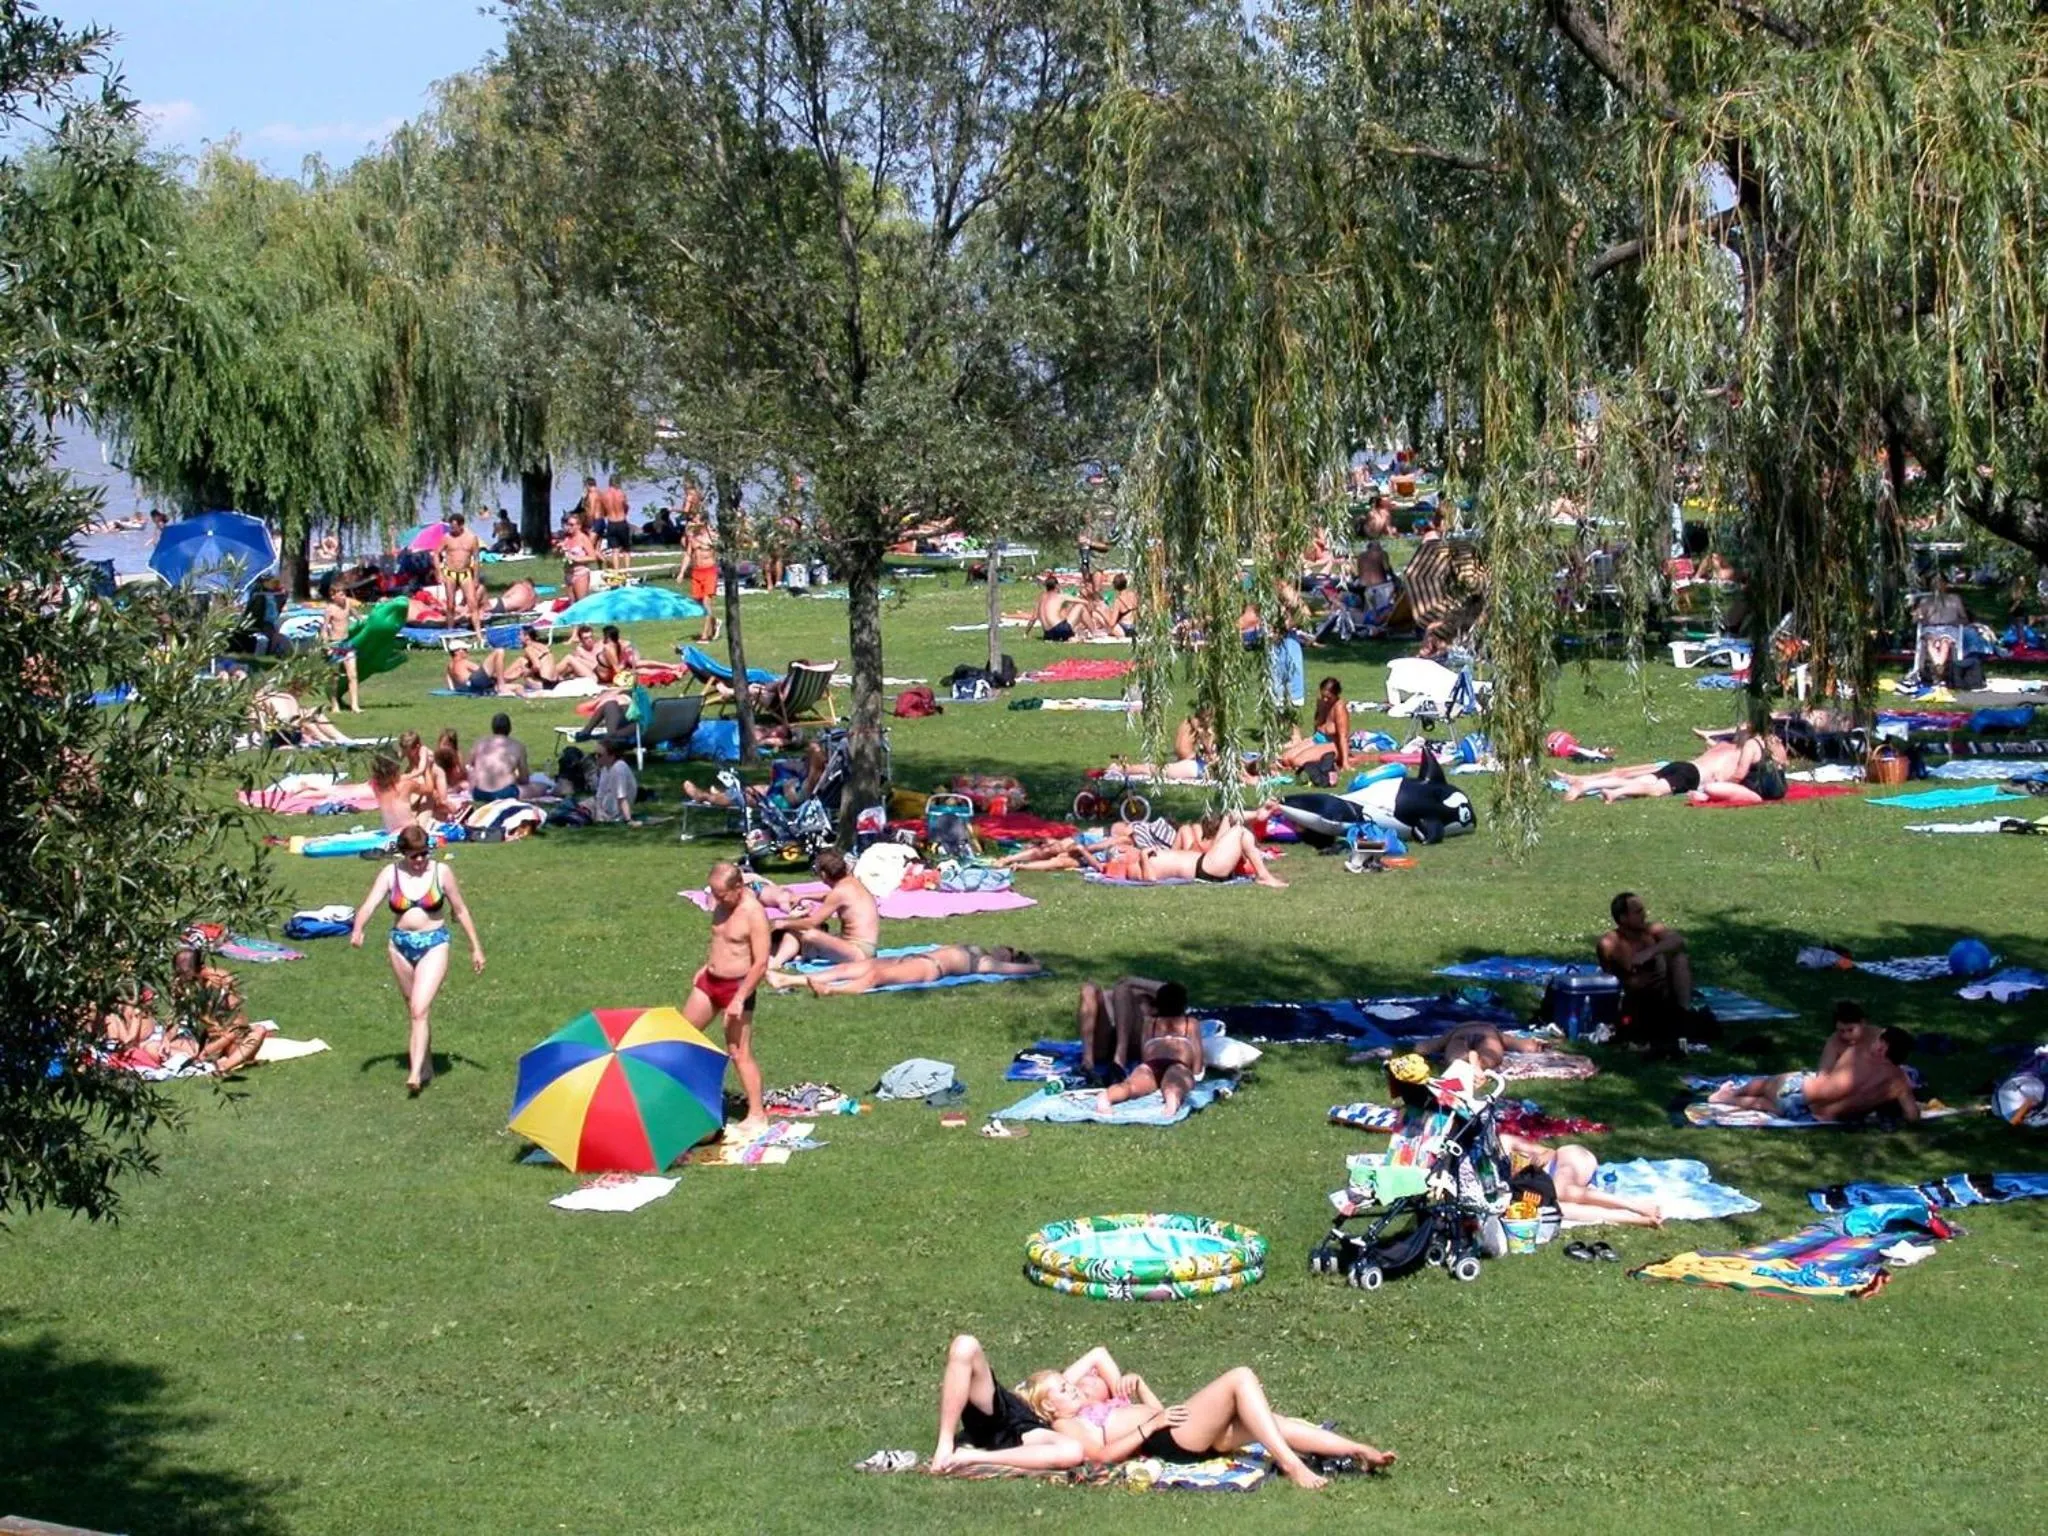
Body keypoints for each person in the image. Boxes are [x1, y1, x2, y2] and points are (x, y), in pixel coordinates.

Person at [1024, 1364, 1392, 1487]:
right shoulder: (1067, 1427)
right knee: (1240, 1377)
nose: (1072, 1387)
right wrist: (1149, 1428)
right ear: (1048, 1408)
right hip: (1168, 1440)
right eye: (1062, 1389)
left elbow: (1158, 1411)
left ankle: (1357, 1450)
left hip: (1172, 1429)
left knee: (1271, 1423)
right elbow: (1101, 1457)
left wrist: (1142, 1389)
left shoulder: (1088, 1406)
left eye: (1068, 1382)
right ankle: (1292, 1464)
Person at [348, 825, 485, 1095]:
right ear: (403, 854)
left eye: (424, 854)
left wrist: (475, 948)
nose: (420, 861)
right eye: (414, 856)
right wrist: (358, 929)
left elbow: (460, 909)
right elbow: (370, 903)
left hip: (434, 944)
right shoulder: (390, 874)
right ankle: (426, 1064)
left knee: (419, 1009)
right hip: (399, 945)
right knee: (414, 1009)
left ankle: (414, 1073)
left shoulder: (441, 872)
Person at [1709, 1002, 1922, 1123]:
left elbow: (1825, 1078)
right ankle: (1728, 1099)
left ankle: (1729, 1095)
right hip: (1812, 1115)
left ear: (1883, 1047)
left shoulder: (1857, 1053)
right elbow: (1913, 1116)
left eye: (1880, 1042)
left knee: (1768, 1084)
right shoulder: (1899, 1082)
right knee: (1766, 1105)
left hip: (1800, 1093)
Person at [929, 1338, 1102, 1474]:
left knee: (1073, 1451)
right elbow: (1097, 1354)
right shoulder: (1039, 1396)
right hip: (1004, 1414)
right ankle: (945, 1443)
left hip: (1025, 1435)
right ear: (1048, 1404)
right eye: (1065, 1388)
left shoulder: (1059, 1423)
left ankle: (975, 1457)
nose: (1074, 1390)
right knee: (965, 1345)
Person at [685, 863, 772, 1130]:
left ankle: (757, 1114)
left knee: (738, 1051)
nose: (717, 898)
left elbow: (760, 963)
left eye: (722, 894)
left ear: (739, 887)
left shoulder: (753, 914)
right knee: (681, 1035)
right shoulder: (723, 902)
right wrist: (707, 966)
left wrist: (739, 998)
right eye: (714, 892)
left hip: (737, 987)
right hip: (710, 981)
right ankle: (686, 1096)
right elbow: (721, 940)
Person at [1596, 892, 1712, 1050]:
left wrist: (1650, 952)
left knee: (1679, 958)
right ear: (1623, 918)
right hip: (1636, 1001)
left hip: (1665, 993)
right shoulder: (1610, 944)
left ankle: (1683, 1016)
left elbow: (1677, 940)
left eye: (1643, 910)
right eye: (1637, 912)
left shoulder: (1651, 930)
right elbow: (1608, 980)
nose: (1644, 915)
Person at [1499, 1132, 1664, 1227]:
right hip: (1546, 1189)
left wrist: (1540, 1159)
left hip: (1567, 1159)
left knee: (1560, 1191)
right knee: (1556, 1208)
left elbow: (1549, 1152)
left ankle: (1638, 1207)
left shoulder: (1504, 1141)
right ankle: (1637, 1219)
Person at [1559, 728, 1769, 801]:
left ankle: (1585, 785)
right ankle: (1613, 793)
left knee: (1645, 779)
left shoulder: (1721, 745)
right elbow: (1730, 777)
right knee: (1655, 790)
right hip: (1692, 776)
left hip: (1680, 765)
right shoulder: (1740, 754)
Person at [1092, 981, 1204, 1114]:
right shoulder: (1190, 1024)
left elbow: (1145, 1050)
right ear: (1183, 1005)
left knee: (1131, 1086)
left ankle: (1107, 1097)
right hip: (1178, 1065)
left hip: (1150, 1065)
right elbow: (1197, 1051)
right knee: (1174, 1085)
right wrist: (1196, 1073)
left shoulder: (1150, 1023)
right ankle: (1172, 1101)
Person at [765, 943, 1041, 996]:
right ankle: (788, 980)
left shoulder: (985, 964)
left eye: (1012, 952)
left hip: (928, 967)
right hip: (914, 956)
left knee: (876, 977)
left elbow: (1016, 971)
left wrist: (1033, 965)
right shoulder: (979, 950)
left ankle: (834, 993)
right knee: (851, 966)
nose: (1006, 948)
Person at [1080, 818, 1287, 888]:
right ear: (1121, 859)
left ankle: (1261, 814)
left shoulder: (1141, 857)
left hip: (1207, 860)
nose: (1126, 849)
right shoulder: (1134, 868)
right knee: (1240, 832)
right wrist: (1143, 857)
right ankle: (1264, 876)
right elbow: (1149, 881)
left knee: (1232, 819)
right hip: (1206, 868)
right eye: (1121, 851)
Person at [767, 848, 879, 967]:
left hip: (859, 953)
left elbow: (813, 922)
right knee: (806, 933)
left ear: (824, 874)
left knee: (810, 935)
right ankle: (787, 956)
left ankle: (778, 961)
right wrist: (802, 896)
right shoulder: (852, 883)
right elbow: (828, 896)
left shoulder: (839, 892)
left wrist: (783, 923)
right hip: (865, 948)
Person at [168, 946, 265, 1076]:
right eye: (178, 972)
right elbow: (177, 1017)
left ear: (200, 968)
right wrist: (165, 1040)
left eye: (185, 973)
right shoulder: (181, 985)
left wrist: (209, 1049)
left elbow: (238, 1025)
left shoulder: (222, 982)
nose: (181, 977)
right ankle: (221, 1062)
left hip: (227, 1040)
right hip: (202, 1041)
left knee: (259, 1031)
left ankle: (225, 1066)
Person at [1075, 975, 1169, 1076]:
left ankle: (1120, 1059)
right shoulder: (1116, 993)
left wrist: (1133, 981)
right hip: (1107, 1042)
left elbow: (1174, 992)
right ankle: (1087, 1062)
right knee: (1088, 989)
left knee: (1122, 990)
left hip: (1138, 1041)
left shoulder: (1148, 993)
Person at [1277, 676, 1352, 775]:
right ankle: (1313, 757)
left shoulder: (1339, 708)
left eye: (1328, 698)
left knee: (1296, 762)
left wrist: (1345, 763)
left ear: (1336, 695)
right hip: (1317, 738)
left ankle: (1327, 761)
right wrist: (1310, 743)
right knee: (1285, 759)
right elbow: (1317, 723)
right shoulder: (1321, 702)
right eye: (1323, 695)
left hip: (1332, 744)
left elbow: (1343, 737)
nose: (1325, 699)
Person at [436, 511, 487, 639]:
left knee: (473, 603)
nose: (452, 529)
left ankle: (478, 633)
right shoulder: (446, 538)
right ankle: (450, 631)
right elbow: (436, 554)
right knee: (450, 604)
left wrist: (476, 578)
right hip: (450, 573)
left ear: (461, 525)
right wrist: (439, 572)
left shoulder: (471, 538)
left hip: (465, 574)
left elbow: (476, 559)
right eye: (450, 526)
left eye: (454, 527)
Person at [320, 579, 364, 712]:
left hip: (347, 644)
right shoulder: (330, 609)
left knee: (353, 675)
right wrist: (326, 645)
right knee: (334, 677)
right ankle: (334, 705)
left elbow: (359, 617)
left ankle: (355, 705)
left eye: (344, 593)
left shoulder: (348, 604)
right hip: (334, 644)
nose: (343, 597)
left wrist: (364, 621)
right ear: (333, 596)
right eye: (340, 595)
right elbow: (324, 628)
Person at [681, 494, 720, 641]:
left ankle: (705, 635)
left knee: (706, 602)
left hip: (709, 571)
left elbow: (718, 548)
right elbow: (688, 554)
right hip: (697, 572)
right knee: (698, 602)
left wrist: (709, 538)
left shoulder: (711, 535)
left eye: (696, 518)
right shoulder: (692, 536)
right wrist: (682, 572)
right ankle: (714, 622)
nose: (693, 521)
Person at [467, 713, 531, 802]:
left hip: (479, 793)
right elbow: (524, 779)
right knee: (541, 787)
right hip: (505, 793)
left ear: (493, 727)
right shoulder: (518, 746)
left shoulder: (480, 744)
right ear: (509, 728)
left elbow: (469, 766)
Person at [586, 739, 639, 824]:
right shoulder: (606, 767)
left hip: (614, 811)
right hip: (606, 805)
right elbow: (600, 793)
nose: (596, 757)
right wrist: (598, 810)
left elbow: (622, 797)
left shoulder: (618, 769)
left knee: (579, 808)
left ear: (612, 756)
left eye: (599, 755)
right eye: (595, 754)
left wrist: (628, 820)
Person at [557, 511, 600, 601]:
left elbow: (593, 557)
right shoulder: (566, 538)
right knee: (572, 605)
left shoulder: (583, 538)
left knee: (581, 604)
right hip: (568, 573)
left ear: (579, 526)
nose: (569, 527)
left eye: (572, 525)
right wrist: (558, 551)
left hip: (580, 574)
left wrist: (577, 559)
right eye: (567, 524)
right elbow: (557, 556)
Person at [1023, 576, 1074, 640]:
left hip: (1048, 633)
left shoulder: (1041, 597)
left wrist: (1026, 633)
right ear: (1056, 586)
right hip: (1059, 629)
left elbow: (1034, 617)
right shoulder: (1057, 597)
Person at [599, 473, 632, 571]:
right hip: (621, 522)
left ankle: (617, 572)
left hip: (611, 523)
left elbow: (603, 511)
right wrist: (623, 512)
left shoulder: (604, 495)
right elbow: (626, 507)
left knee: (615, 550)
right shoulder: (621, 493)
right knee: (626, 549)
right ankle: (627, 571)